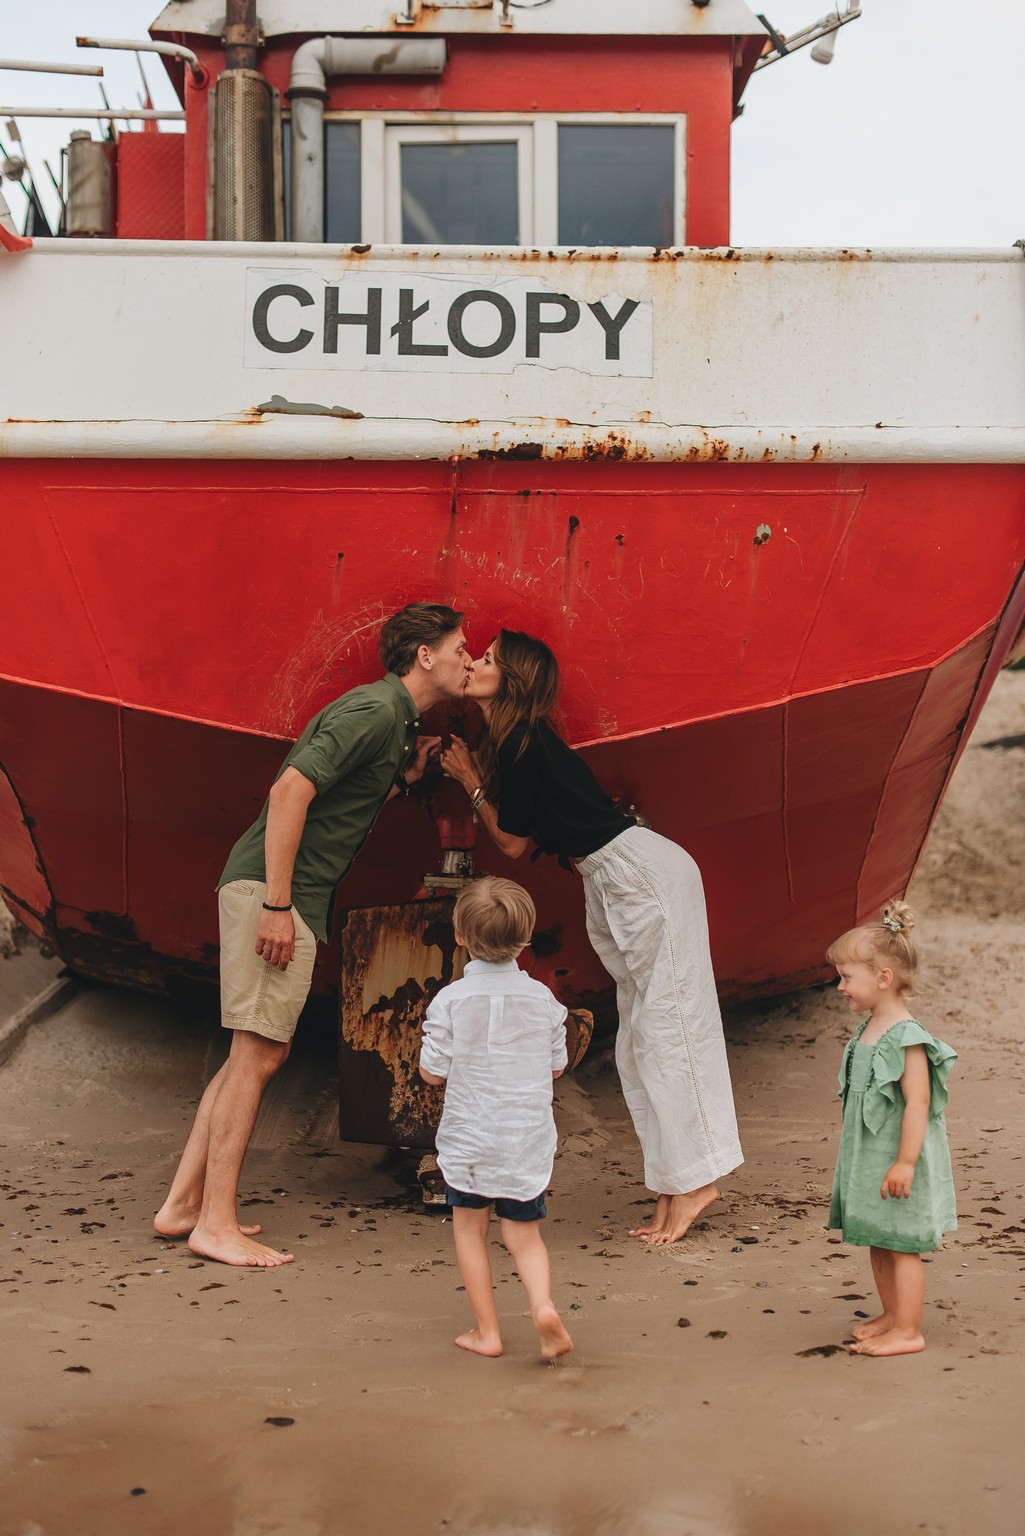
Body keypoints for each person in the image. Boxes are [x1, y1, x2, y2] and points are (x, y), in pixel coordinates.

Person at [154, 602, 471, 1268]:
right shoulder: (376, 712)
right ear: (424, 656)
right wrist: (276, 904)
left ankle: (184, 1205)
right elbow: (290, 791)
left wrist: (400, 782)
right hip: (276, 894)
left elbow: (337, 800)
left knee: (249, 1051)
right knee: (262, 1055)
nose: (468, 659)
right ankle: (215, 1222)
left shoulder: (392, 721)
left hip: (283, 892)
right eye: (460, 648)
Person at [440, 631, 742, 1246]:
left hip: (638, 875)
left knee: (669, 1026)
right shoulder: (518, 741)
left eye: (490, 659)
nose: (474, 662)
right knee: (639, 1037)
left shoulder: (521, 745)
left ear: (515, 680)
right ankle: (672, 1183)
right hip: (613, 876)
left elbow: (516, 845)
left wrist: (470, 783)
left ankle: (698, 1181)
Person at [419, 876, 573, 1361]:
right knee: (523, 1235)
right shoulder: (545, 1001)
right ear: (526, 941)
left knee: (469, 1229)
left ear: (459, 937)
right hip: (525, 1139)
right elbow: (556, 1067)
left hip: (470, 1141)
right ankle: (543, 1306)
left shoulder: (449, 1001)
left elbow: (432, 1074)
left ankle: (488, 1333)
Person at [827, 899, 957, 1356]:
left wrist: (905, 1162)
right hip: (870, 1156)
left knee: (901, 1244)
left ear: (883, 978)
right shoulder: (869, 1027)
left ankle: (909, 1330)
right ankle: (891, 1313)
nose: (840, 986)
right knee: (878, 1238)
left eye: (846, 977)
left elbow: (918, 1102)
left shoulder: (907, 1036)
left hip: (900, 1157)